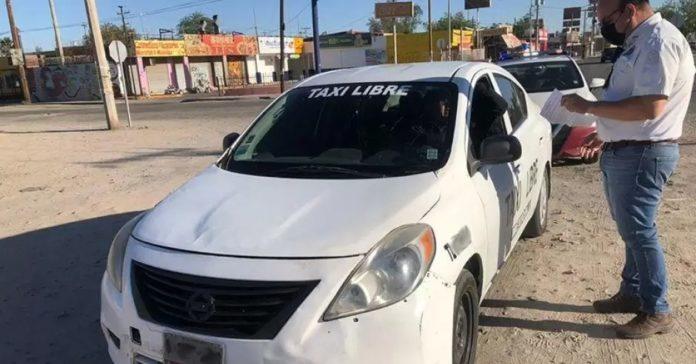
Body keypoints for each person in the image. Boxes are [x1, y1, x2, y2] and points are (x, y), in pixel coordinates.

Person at [561, 0, 695, 339]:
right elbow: (632, 103)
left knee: (639, 231)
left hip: (642, 155)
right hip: (629, 150)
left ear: (629, 9)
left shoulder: (658, 42)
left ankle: (657, 308)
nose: (603, 24)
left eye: (605, 18)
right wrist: (606, 131)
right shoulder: (640, 40)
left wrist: (590, 107)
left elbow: (651, 105)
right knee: (631, 230)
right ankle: (632, 290)